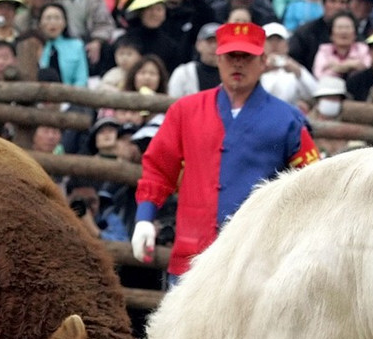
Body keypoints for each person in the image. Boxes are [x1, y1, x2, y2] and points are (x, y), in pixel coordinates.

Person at [130, 22, 319, 283]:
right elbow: (158, 168)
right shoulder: (185, 111)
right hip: (192, 253)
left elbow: (313, 183)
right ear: (218, 59)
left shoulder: (289, 120)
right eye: (231, 56)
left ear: (263, 61)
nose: (238, 64)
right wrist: (144, 218)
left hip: (257, 261)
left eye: (247, 57)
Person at [260, 21, 319, 106]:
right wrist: (263, 70)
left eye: (279, 40)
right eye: (270, 40)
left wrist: (299, 72)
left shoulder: (294, 68)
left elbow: (315, 93)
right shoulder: (254, 67)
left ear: (287, 45)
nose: (274, 45)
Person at [119, 0, 187, 73]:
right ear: (141, 12)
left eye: (159, 9)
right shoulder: (126, 40)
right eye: (150, 9)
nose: (154, 14)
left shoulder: (171, 45)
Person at [287, 0, 349, 70]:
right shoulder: (306, 33)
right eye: (333, 2)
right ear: (324, 4)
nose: (338, 7)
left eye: (343, 2)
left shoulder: (353, 32)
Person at [36, 2, 87, 86]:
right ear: (40, 23)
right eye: (48, 18)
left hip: (71, 96)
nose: (53, 22)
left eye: (57, 18)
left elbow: (81, 80)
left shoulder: (77, 46)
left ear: (65, 23)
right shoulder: (35, 46)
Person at [167, 20, 220, 97]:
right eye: (210, 41)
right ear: (198, 44)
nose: (214, 46)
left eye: (218, 42)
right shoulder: (183, 73)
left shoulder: (230, 75)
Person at [312, 11, 370, 80]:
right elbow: (319, 75)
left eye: (347, 27)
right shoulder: (324, 50)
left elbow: (369, 70)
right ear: (331, 34)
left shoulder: (363, 49)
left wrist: (338, 67)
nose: (343, 32)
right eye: (339, 27)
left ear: (355, 34)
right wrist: (350, 66)